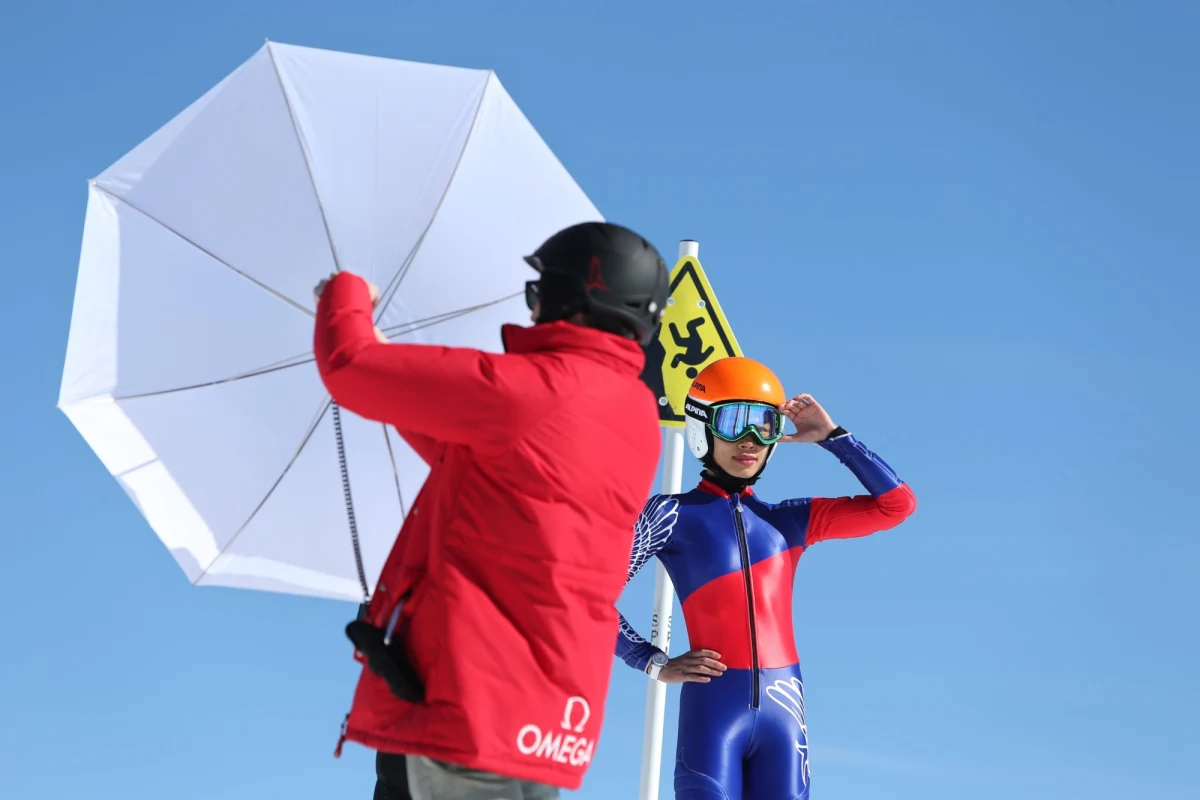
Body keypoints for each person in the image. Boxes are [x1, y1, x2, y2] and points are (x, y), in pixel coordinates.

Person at [313, 221, 670, 800]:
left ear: (570, 297)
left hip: (474, 694)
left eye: (538, 292)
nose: (532, 309)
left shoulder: (528, 388)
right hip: (547, 713)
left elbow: (348, 366)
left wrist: (344, 295)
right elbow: (469, 457)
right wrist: (401, 386)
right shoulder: (633, 413)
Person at [616, 356, 917, 799]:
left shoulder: (791, 520)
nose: (751, 440)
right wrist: (651, 661)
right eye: (733, 422)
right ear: (701, 426)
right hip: (713, 710)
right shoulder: (669, 514)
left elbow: (897, 505)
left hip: (785, 713)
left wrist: (833, 438)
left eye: (765, 424)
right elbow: (586, 594)